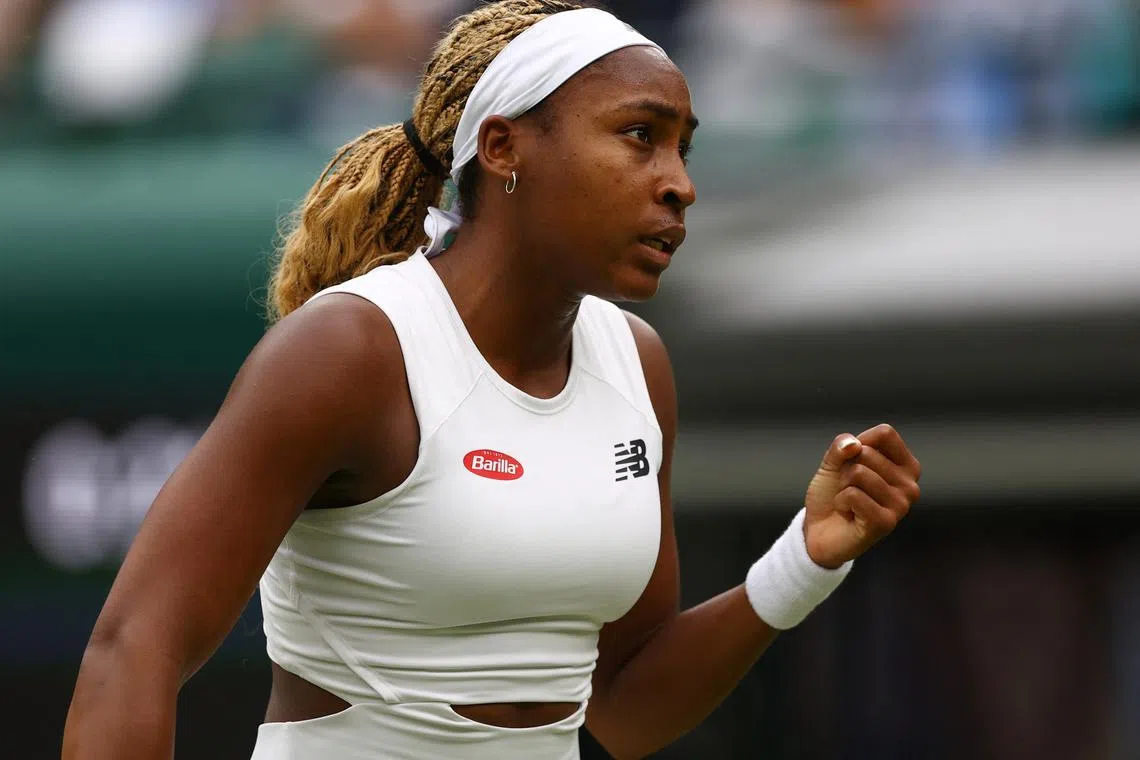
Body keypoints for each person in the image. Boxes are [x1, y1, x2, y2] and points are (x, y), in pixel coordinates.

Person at [61, 2, 922, 758]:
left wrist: (802, 563)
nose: (681, 186)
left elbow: (621, 707)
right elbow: (134, 647)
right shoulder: (351, 349)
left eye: (683, 150)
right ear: (505, 147)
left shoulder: (638, 364)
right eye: (640, 136)